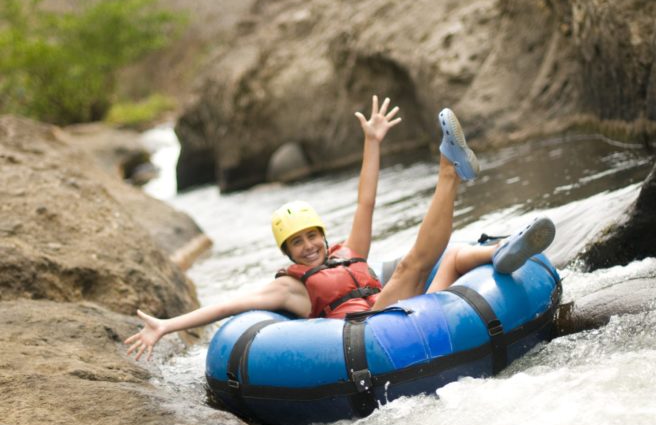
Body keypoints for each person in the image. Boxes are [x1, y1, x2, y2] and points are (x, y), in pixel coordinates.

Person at [125, 95, 555, 361]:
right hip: (376, 329)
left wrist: (372, 142)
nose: (309, 246)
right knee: (409, 265)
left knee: (456, 255)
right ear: (288, 253)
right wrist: (167, 325)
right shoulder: (290, 288)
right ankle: (449, 170)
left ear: (322, 235)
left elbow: (365, 201)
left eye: (312, 236)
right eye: (297, 243)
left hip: (414, 309)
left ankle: (502, 251)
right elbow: (226, 307)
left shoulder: (349, 252)